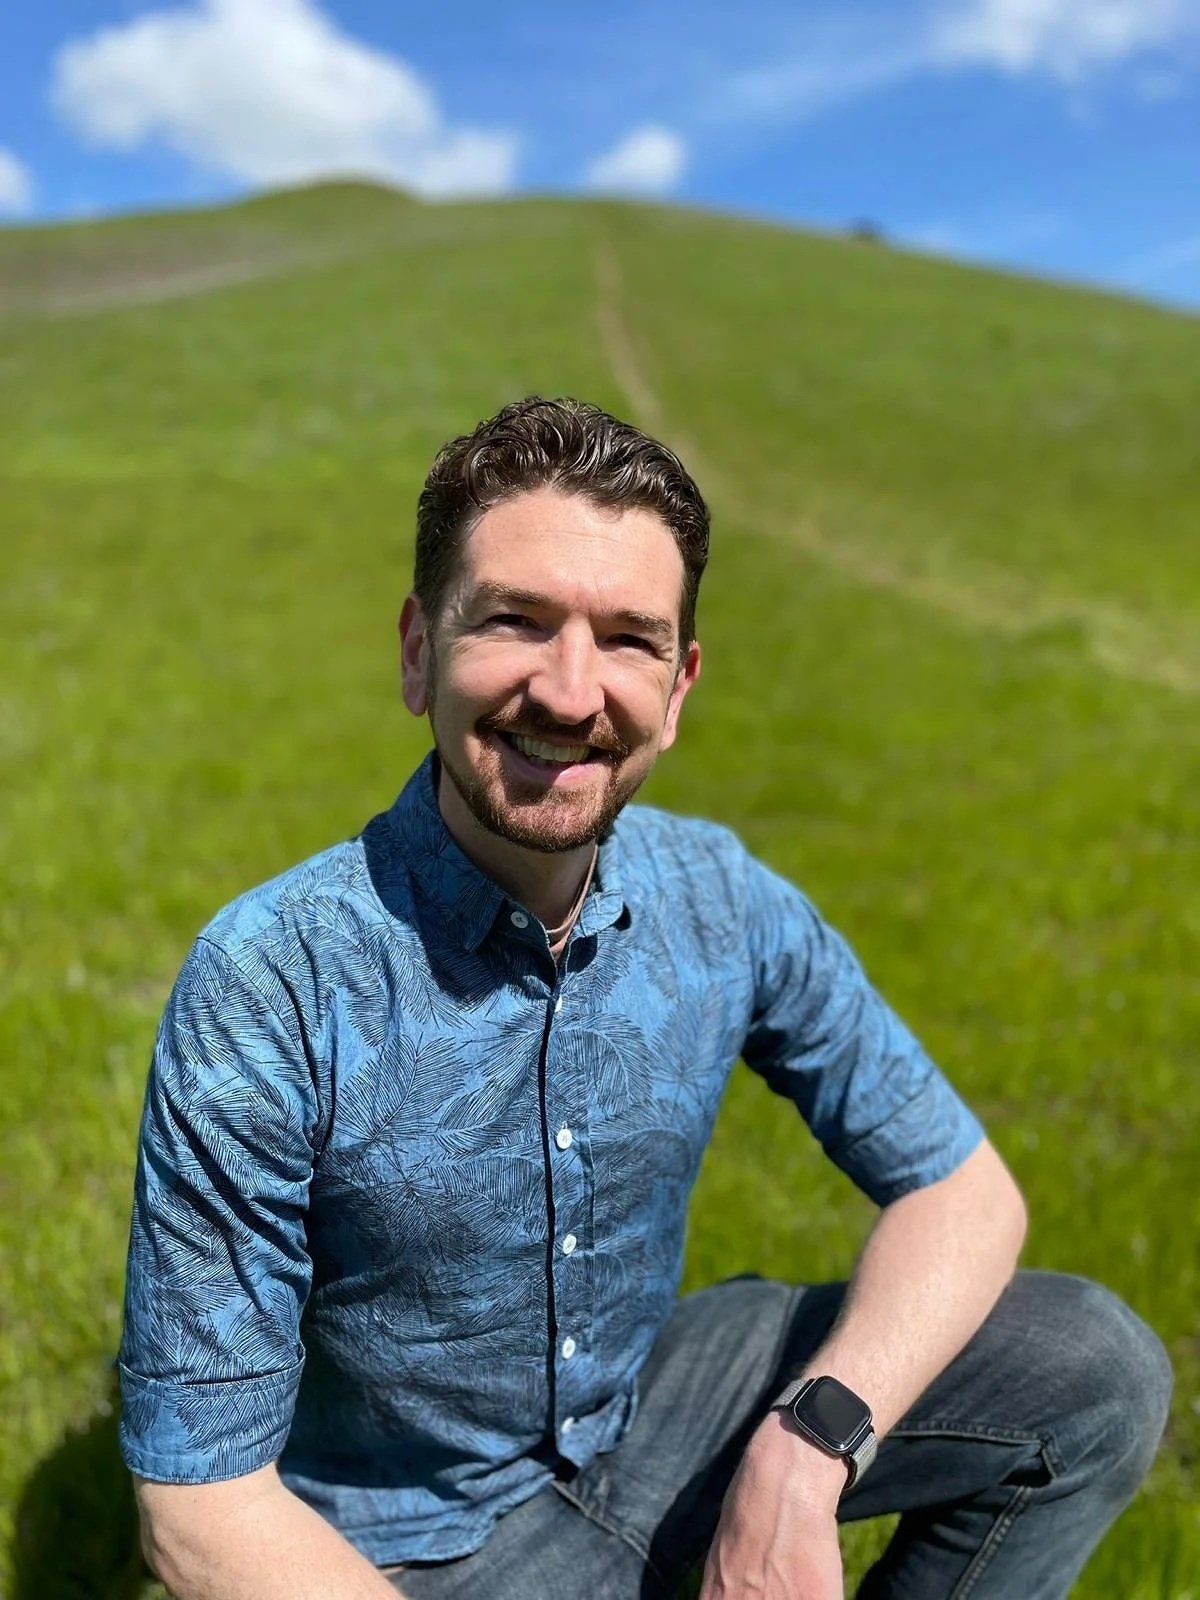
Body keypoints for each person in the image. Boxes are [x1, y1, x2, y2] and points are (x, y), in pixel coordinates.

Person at [119, 396, 1171, 1600]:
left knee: (1093, 1370)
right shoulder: (270, 979)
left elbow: (963, 1191)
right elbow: (198, 1503)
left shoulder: (722, 895)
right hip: (412, 1548)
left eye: (628, 639)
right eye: (516, 620)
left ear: (678, 689)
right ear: (418, 649)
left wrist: (808, 1447)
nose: (572, 694)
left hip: (657, 1413)